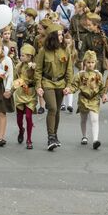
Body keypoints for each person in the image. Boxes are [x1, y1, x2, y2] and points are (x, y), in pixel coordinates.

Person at [34, 23, 73, 151]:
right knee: (52, 108)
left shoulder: (65, 50)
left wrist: (69, 85)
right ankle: (50, 137)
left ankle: (55, 135)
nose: (62, 37)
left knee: (56, 112)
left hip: (61, 84)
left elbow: (69, 70)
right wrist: (38, 86)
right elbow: (38, 70)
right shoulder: (43, 51)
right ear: (53, 37)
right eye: (60, 35)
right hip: (47, 82)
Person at [69, 50, 107, 150]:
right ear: (85, 62)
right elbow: (74, 85)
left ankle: (95, 140)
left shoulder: (98, 75)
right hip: (83, 99)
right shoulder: (80, 75)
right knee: (84, 119)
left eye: (92, 62)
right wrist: (69, 90)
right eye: (88, 62)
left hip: (94, 99)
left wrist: (103, 96)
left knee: (94, 119)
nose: (90, 65)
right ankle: (84, 136)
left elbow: (102, 87)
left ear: (95, 63)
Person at [13, 44, 38, 149]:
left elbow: (38, 79)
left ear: (30, 56)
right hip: (20, 92)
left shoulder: (35, 66)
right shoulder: (18, 66)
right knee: (19, 118)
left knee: (28, 117)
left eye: (23, 55)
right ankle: (21, 129)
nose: (21, 57)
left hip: (30, 93)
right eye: (21, 55)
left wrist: (33, 70)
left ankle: (29, 139)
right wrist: (11, 90)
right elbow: (14, 79)